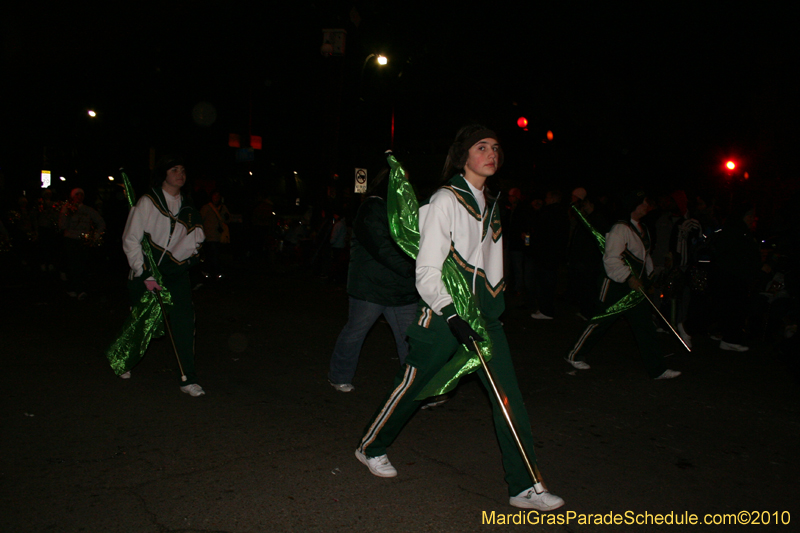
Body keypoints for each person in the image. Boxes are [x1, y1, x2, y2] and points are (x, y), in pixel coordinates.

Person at [355, 125, 564, 511]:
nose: (491, 153)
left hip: (484, 319)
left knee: (508, 399)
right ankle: (372, 445)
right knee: (415, 388)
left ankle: (524, 486)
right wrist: (451, 313)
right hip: (443, 315)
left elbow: (491, 269)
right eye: (481, 147)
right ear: (463, 156)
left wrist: (490, 310)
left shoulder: (492, 205)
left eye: (496, 148)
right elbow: (427, 268)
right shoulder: (445, 200)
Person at [565, 191, 681, 380]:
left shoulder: (641, 228)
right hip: (615, 286)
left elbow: (644, 257)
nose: (646, 206)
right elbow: (611, 258)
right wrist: (628, 277)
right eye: (643, 202)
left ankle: (657, 369)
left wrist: (649, 277)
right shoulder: (620, 228)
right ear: (633, 205)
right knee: (601, 322)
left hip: (636, 288)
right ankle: (574, 354)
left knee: (645, 326)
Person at [121, 156, 206, 396]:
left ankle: (188, 378)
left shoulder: (188, 208)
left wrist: (186, 259)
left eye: (183, 169)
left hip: (175, 273)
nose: (180, 173)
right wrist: (143, 272)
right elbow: (131, 239)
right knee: (141, 323)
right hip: (146, 272)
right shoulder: (148, 201)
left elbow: (195, 239)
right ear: (164, 174)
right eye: (174, 169)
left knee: (183, 322)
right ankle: (124, 360)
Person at [328, 169, 419, 392]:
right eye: (400, 181)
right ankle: (339, 375)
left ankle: (414, 385)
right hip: (372, 288)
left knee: (410, 339)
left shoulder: (404, 211)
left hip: (402, 289)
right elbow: (382, 247)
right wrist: (414, 268)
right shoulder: (372, 207)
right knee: (355, 332)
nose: (405, 186)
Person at [59, 188, 106, 299]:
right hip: (70, 239)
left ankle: (80, 288)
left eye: (81, 195)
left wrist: (96, 235)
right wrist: (66, 214)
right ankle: (74, 288)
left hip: (83, 240)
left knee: (82, 264)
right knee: (73, 264)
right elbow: (62, 226)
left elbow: (101, 222)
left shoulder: (87, 210)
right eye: (77, 194)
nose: (79, 197)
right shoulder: (67, 209)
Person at [200, 190, 230, 280]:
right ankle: (213, 271)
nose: (216, 198)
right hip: (209, 235)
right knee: (212, 254)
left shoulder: (223, 208)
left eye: (218, 197)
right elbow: (201, 219)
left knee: (216, 254)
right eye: (214, 196)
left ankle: (211, 271)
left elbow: (227, 219)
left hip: (219, 236)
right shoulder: (206, 208)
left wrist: (227, 217)